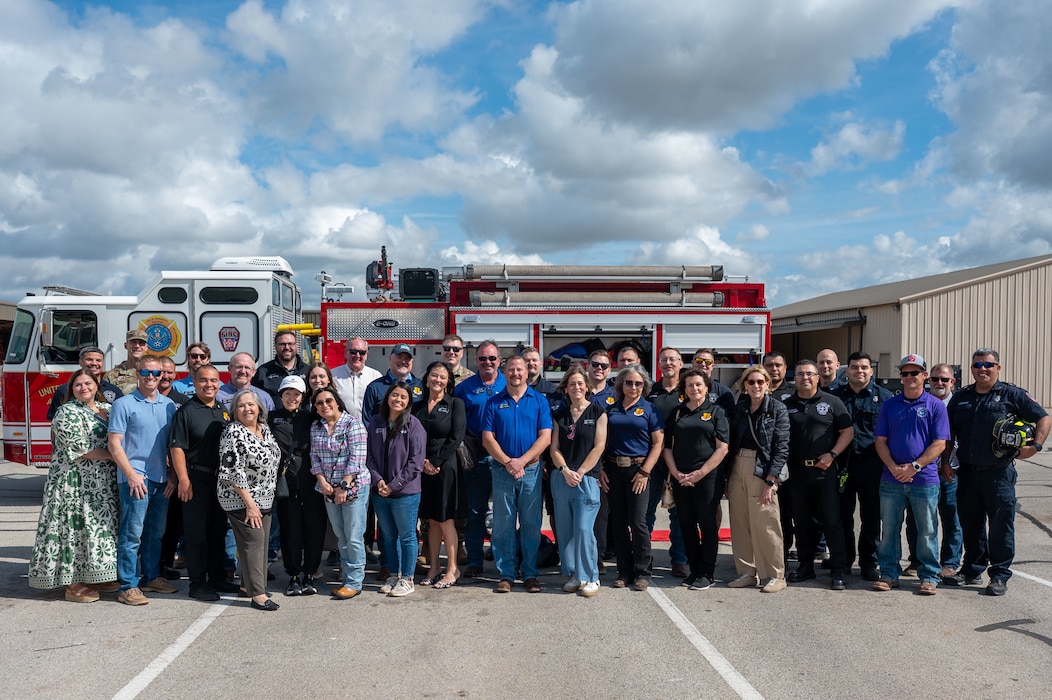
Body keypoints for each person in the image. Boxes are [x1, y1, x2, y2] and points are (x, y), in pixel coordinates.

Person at [943, 348, 1050, 596]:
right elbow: (950, 433)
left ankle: (1000, 575)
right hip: (968, 472)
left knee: (1001, 526)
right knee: (971, 524)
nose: (983, 369)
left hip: (999, 473)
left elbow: (1043, 418)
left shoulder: (1013, 394)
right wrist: (946, 462)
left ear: (998, 368)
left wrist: (1035, 446)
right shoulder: (961, 398)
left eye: (988, 365)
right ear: (971, 369)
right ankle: (972, 570)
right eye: (978, 365)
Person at [29, 370, 120, 602]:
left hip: (101, 485)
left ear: (96, 384)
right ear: (72, 389)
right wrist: (115, 456)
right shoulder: (66, 411)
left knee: (98, 529)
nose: (83, 388)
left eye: (87, 383)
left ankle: (94, 574)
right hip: (72, 483)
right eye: (78, 384)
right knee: (73, 530)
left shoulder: (108, 409)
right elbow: (81, 448)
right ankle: (72, 583)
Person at [871, 354, 949, 596]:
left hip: (924, 480)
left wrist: (914, 466)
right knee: (890, 528)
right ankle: (888, 574)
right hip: (891, 479)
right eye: (904, 373)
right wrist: (894, 467)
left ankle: (928, 576)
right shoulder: (890, 405)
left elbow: (940, 443)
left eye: (914, 373)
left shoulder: (935, 405)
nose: (909, 377)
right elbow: (880, 441)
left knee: (927, 529)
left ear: (924, 376)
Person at [108, 356, 179, 606]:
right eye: (146, 372)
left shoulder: (169, 405)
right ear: (137, 374)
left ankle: (151, 577)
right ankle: (128, 585)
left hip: (161, 479)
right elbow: (114, 444)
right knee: (132, 534)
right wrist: (130, 474)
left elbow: (173, 445)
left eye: (156, 373)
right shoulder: (123, 404)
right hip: (135, 478)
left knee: (155, 534)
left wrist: (173, 475)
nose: (151, 377)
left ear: (162, 376)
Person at [169, 365, 241, 601]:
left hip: (220, 480)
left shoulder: (223, 410)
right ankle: (197, 584)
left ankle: (217, 577)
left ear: (219, 383)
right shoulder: (187, 412)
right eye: (203, 381)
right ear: (195, 382)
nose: (208, 385)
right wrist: (183, 480)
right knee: (197, 533)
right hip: (195, 479)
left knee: (217, 531)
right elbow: (177, 447)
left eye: (213, 380)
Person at [482, 355, 553, 593]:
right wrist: (508, 462)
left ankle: (530, 573)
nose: (515, 373)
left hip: (531, 471)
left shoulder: (539, 401)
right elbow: (487, 438)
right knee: (503, 525)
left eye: (519, 369)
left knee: (531, 524)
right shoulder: (494, 402)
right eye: (511, 369)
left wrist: (522, 461)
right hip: (502, 471)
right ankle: (507, 574)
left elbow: (545, 437)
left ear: (527, 372)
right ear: (505, 372)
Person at [783, 359, 854, 590]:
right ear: (795, 378)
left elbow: (847, 431)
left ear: (817, 377)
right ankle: (805, 567)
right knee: (801, 522)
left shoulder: (832, 402)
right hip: (797, 473)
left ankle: (839, 570)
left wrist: (832, 454)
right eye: (801, 374)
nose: (805, 378)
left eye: (810, 374)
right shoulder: (786, 404)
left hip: (825, 472)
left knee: (832, 521)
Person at [662, 368, 729, 590]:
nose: (694, 389)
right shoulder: (678, 413)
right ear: (684, 389)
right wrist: (676, 473)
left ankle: (707, 573)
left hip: (708, 478)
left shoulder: (717, 412)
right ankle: (694, 570)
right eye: (690, 385)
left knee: (708, 525)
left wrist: (700, 473)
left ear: (707, 387)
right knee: (686, 525)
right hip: (681, 477)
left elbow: (722, 448)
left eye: (699, 385)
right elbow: (667, 448)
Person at [829, 351, 893, 581]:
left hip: (872, 465)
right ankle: (845, 560)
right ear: (847, 371)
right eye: (855, 367)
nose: (859, 371)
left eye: (864, 367)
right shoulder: (834, 397)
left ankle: (869, 562)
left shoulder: (885, 398)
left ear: (871, 371)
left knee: (872, 516)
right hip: (843, 466)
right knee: (842, 515)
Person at [725, 366, 789, 592]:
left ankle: (775, 575)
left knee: (766, 524)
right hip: (737, 466)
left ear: (768, 384)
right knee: (740, 522)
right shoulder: (739, 409)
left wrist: (770, 480)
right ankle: (746, 572)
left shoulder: (778, 409)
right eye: (751, 382)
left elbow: (781, 447)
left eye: (760, 381)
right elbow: (730, 443)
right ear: (744, 385)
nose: (756, 386)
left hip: (762, 469)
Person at [218, 390, 282, 611]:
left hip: (264, 497)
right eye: (241, 405)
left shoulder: (264, 429)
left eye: (251, 405)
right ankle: (258, 595)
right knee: (253, 542)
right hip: (240, 499)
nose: (247, 409)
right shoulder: (233, 432)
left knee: (261, 543)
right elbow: (232, 470)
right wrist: (250, 505)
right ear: (235, 411)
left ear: (259, 408)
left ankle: (247, 586)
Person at [604, 364, 664, 591]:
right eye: (628, 382)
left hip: (639, 471)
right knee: (618, 523)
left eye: (638, 383)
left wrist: (645, 472)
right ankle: (624, 572)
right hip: (613, 470)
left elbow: (658, 443)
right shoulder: (611, 409)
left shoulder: (649, 409)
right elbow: (601, 441)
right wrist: (600, 468)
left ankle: (642, 572)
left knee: (638, 523)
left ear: (644, 386)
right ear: (621, 384)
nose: (633, 387)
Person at [549, 363, 607, 597]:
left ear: (587, 387)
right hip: (562, 477)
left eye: (580, 384)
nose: (576, 387)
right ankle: (576, 574)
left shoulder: (598, 412)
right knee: (566, 530)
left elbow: (599, 446)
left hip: (586, 478)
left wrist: (580, 472)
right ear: (566, 388)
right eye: (572, 384)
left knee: (584, 528)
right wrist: (564, 470)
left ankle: (592, 576)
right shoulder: (559, 415)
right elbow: (553, 448)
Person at [310, 387, 370, 599]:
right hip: (328, 489)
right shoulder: (316, 427)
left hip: (353, 487)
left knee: (353, 536)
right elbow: (314, 457)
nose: (324, 405)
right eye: (319, 403)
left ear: (337, 402)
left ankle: (354, 581)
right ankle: (347, 576)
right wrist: (322, 481)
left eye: (328, 400)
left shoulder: (353, 424)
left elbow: (357, 459)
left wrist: (343, 486)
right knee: (341, 536)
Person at [905, 363, 963, 582]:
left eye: (945, 380)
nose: (940, 383)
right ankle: (917, 560)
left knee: (950, 517)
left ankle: (950, 562)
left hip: (949, 472)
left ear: (952, 382)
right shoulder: (919, 402)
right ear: (928, 380)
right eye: (935, 379)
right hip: (919, 473)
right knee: (917, 520)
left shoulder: (957, 405)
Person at [367, 383, 426, 597]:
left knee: (407, 536)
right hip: (380, 491)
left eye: (403, 397)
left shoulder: (414, 425)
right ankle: (393, 574)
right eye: (394, 395)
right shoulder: (376, 422)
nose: (398, 400)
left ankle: (407, 578)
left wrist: (393, 486)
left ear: (409, 401)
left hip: (405, 493)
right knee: (388, 536)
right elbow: (369, 457)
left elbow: (416, 463)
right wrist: (378, 481)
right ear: (387, 397)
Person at [269, 375, 326, 596]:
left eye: (296, 394)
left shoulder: (312, 418)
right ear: (281, 395)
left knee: (314, 529)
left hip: (312, 479)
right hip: (286, 482)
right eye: (287, 393)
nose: (291, 398)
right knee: (290, 530)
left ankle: (310, 573)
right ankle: (293, 576)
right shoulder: (270, 418)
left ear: (303, 397)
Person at [454, 340, 506, 577]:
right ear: (476, 361)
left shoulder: (509, 383)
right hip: (476, 458)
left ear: (499, 360)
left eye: (492, 358)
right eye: (483, 358)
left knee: (506, 512)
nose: (488, 362)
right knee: (475, 512)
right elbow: (457, 424)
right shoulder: (464, 388)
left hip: (505, 458)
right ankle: (475, 559)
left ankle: (503, 558)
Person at [413, 362, 466, 589]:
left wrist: (435, 462)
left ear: (448, 382)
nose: (438, 380)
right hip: (422, 467)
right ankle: (434, 567)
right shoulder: (417, 407)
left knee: (446, 520)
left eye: (443, 377)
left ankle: (452, 569)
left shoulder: (455, 404)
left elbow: (456, 436)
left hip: (446, 466)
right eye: (434, 375)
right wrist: (423, 462)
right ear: (426, 379)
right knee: (431, 520)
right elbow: (412, 437)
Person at [645, 347, 689, 578]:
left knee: (679, 514)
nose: (668, 363)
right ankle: (644, 557)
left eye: (673, 359)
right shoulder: (649, 391)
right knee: (646, 511)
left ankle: (679, 559)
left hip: (680, 460)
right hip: (652, 461)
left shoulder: (689, 389)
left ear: (681, 363)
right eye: (664, 360)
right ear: (659, 364)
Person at [47, 346, 122, 419]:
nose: (94, 363)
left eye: (98, 360)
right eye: (89, 359)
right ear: (80, 362)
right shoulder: (64, 390)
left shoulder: (114, 391)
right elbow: (54, 423)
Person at [362, 343, 423, 422]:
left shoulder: (421, 386)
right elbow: (368, 420)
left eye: (407, 358)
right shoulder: (375, 387)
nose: (403, 361)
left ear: (412, 361)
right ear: (390, 358)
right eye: (399, 357)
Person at [331, 338, 382, 419]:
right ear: (345, 353)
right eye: (353, 352)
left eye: (362, 352)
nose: (357, 356)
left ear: (366, 355)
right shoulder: (333, 376)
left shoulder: (375, 376)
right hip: (341, 428)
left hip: (369, 429)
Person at [254, 330, 309, 403]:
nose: (287, 347)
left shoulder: (308, 371)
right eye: (282, 344)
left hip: (304, 414)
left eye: (290, 344)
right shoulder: (263, 372)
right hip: (272, 414)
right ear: (275, 346)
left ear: (296, 346)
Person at [104, 329, 150, 395]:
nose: (137, 346)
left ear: (146, 347)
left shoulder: (152, 373)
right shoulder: (111, 376)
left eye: (141, 343)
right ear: (126, 346)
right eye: (133, 342)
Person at [691, 348, 735, 412]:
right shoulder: (682, 389)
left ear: (713, 366)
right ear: (692, 363)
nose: (703, 364)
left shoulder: (724, 392)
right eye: (699, 360)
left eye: (708, 362)